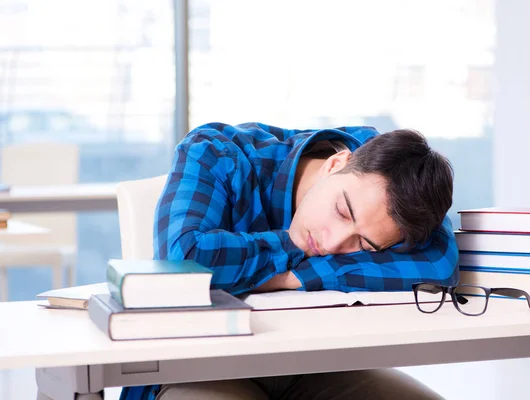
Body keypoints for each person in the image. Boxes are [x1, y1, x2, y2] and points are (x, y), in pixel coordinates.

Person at [121, 122, 458, 400]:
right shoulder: (216, 152)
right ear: (335, 164)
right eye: (342, 211)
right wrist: (290, 245)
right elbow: (183, 260)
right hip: (198, 367)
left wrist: (285, 277)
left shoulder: (396, 177)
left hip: (314, 367)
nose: (331, 243)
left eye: (363, 244)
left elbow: (440, 264)